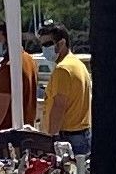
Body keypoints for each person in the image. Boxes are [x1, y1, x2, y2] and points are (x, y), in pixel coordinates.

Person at [37, 19, 92, 150]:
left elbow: (59, 106)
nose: (45, 48)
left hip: (67, 138)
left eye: (48, 44)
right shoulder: (78, 64)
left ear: (61, 43)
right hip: (83, 133)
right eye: (42, 45)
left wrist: (51, 139)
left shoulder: (62, 69)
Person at [0, 17, 40, 133]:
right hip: (26, 130)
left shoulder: (9, 68)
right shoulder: (29, 60)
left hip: (7, 134)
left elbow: (1, 109)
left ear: (8, 39)